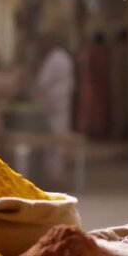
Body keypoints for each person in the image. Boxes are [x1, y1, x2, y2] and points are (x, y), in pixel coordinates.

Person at [33, 33, 75, 186]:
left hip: (54, 103)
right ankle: (57, 175)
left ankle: (53, 177)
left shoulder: (53, 59)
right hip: (62, 102)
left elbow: (43, 82)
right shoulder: (64, 57)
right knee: (60, 136)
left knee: (53, 140)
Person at [76, 32, 108, 140]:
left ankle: (95, 132)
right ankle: (92, 132)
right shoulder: (94, 52)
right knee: (91, 110)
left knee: (95, 110)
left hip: (95, 85)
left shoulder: (95, 52)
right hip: (92, 84)